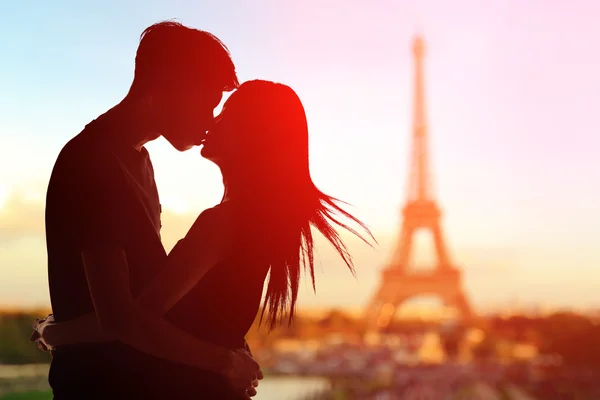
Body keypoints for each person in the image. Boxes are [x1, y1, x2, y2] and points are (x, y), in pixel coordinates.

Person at [33, 80, 374, 398]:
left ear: (253, 137)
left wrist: (52, 333)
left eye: (225, 114)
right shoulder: (254, 222)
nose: (212, 122)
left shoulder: (223, 222)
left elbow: (129, 321)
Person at [35, 21, 261, 399]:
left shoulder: (138, 162)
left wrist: (52, 330)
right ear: (169, 87)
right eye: (206, 104)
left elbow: (141, 299)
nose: (209, 121)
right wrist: (222, 361)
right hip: (97, 385)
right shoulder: (92, 162)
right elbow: (120, 317)